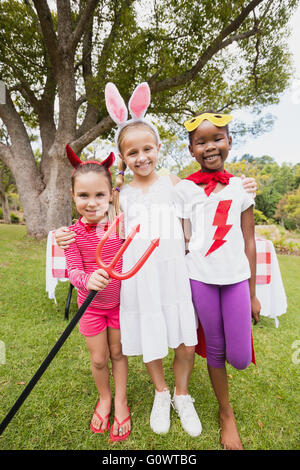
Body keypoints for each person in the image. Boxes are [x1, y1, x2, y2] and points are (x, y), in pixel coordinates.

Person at [55, 84, 257, 438]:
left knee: (185, 341)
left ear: (159, 149)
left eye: (147, 149)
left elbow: (210, 207)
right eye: (132, 152)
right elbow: (98, 223)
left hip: (174, 274)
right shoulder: (121, 196)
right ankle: (160, 393)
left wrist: (242, 186)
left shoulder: (176, 184)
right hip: (140, 279)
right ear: (122, 157)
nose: (141, 157)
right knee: (150, 337)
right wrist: (64, 234)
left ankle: (182, 394)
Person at [173, 111, 261, 450]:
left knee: (239, 358)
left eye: (217, 139)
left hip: (237, 278)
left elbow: (249, 240)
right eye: (201, 142)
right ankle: (226, 414)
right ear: (192, 149)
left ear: (229, 142)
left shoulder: (242, 186)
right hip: (201, 277)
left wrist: (253, 294)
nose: (210, 147)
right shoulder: (183, 190)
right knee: (215, 347)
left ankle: (234, 354)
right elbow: (181, 238)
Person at [63, 147, 131, 441]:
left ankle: (121, 402)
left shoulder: (120, 227)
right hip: (89, 308)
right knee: (100, 359)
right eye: (83, 196)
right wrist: (88, 279)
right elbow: (73, 271)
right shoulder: (72, 234)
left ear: (111, 195)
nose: (92, 203)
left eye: (99, 195)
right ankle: (104, 397)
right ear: (73, 195)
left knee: (118, 353)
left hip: (119, 305)